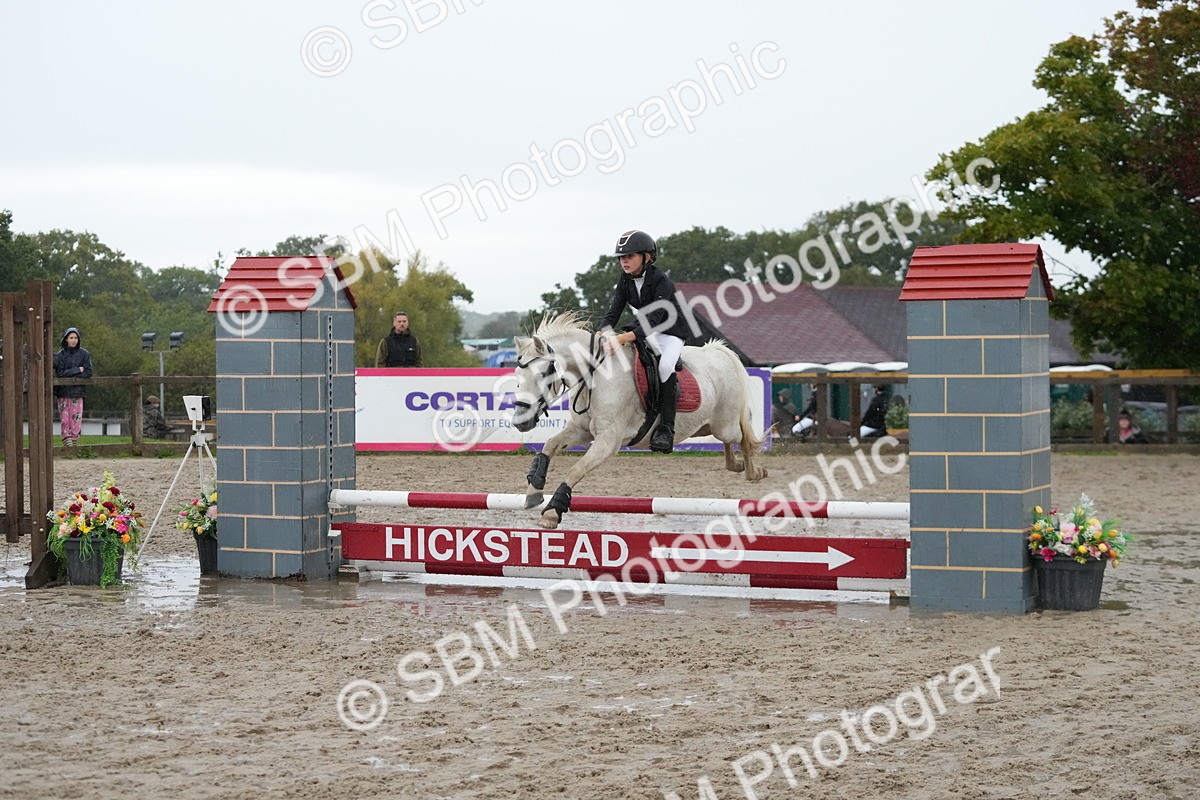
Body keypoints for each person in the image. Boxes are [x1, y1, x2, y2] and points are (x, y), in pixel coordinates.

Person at [599, 229, 693, 453]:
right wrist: (601, 332)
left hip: (671, 331)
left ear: (646, 257)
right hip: (646, 329)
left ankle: (666, 430)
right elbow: (613, 313)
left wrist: (621, 338)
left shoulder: (661, 280)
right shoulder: (625, 280)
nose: (624, 261)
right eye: (622, 257)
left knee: (664, 367)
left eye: (629, 256)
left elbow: (654, 319)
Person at [52, 326, 92, 447]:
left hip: (77, 391)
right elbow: (60, 373)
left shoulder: (84, 354)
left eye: (75, 338)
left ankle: (74, 440)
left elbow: (88, 372)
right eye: (71, 338)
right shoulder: (60, 355)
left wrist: (74, 374)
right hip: (63, 391)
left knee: (76, 417)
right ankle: (66, 438)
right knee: (65, 417)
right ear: (66, 339)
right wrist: (77, 370)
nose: (73, 340)